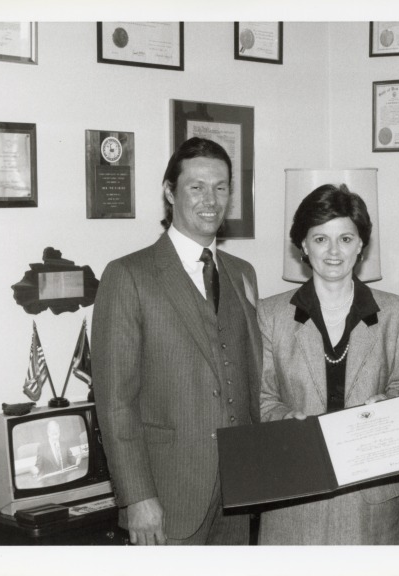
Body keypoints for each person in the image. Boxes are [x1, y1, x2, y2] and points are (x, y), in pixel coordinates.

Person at [92, 137, 261, 545]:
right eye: (196, 187)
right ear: (170, 192)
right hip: (168, 497)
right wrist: (137, 497)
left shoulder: (243, 274)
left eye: (221, 187)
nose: (211, 200)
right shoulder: (128, 275)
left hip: (240, 495)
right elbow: (115, 403)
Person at [258, 184, 399, 545]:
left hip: (371, 502)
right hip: (292, 500)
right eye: (320, 239)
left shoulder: (396, 312)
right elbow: (262, 398)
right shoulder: (269, 315)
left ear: (361, 244)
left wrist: (390, 405)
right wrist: (286, 421)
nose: (333, 252)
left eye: (345, 238)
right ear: (302, 245)